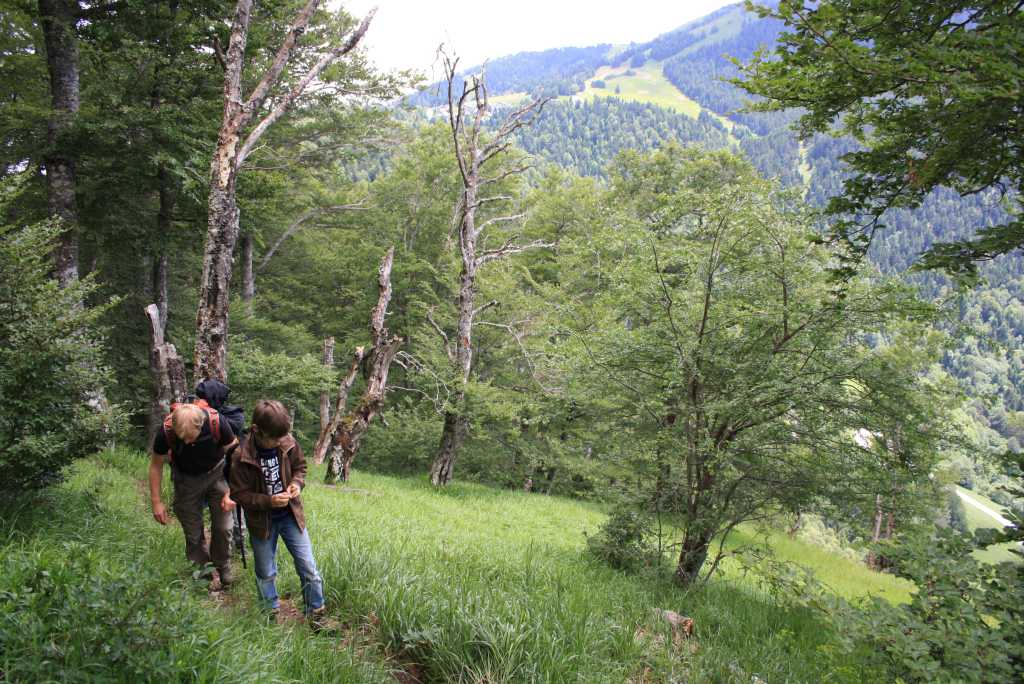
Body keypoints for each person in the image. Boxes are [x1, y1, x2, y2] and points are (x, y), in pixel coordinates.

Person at [229, 399, 325, 622]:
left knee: (308, 567)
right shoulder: (240, 455)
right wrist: (269, 501)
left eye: (283, 437)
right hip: (262, 522)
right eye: (275, 438)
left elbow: (301, 468)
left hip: (291, 516)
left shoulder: (287, 442)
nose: (280, 442)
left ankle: (316, 613)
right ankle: (269, 613)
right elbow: (238, 494)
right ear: (256, 431)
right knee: (265, 572)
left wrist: (296, 484)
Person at [149, 402, 238, 587]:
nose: (187, 442)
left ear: (201, 425)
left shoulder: (217, 422)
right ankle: (204, 571)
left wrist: (233, 489)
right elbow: (156, 466)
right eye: (183, 439)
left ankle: (222, 565)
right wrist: (156, 502)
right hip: (186, 480)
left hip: (217, 473)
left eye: (191, 437)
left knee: (224, 526)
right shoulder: (166, 432)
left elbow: (235, 454)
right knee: (193, 531)